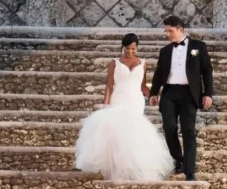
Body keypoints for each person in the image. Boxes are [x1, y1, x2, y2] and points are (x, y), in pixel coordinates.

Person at [74, 33, 176, 181]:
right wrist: (106, 104)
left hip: (135, 101)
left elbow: (142, 86)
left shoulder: (143, 63)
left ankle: (134, 167)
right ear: (123, 47)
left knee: (134, 132)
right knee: (117, 131)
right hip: (119, 98)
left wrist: (152, 95)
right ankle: (116, 168)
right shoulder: (114, 63)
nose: (130, 52)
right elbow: (109, 85)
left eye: (133, 49)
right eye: (127, 49)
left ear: (137, 48)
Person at [148, 15, 214, 181]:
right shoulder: (165, 51)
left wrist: (208, 93)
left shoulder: (198, 47)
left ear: (180, 29)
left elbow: (207, 71)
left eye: (170, 31)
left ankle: (189, 172)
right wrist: (153, 92)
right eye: (166, 31)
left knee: (188, 131)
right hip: (169, 93)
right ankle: (179, 159)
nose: (167, 34)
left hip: (189, 94)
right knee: (169, 128)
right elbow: (158, 73)